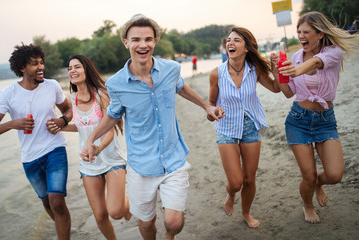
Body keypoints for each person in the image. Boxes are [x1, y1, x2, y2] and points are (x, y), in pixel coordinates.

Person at [80, 14, 225, 240]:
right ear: (126, 42)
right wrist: (91, 140)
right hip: (141, 165)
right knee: (147, 224)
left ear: (155, 41)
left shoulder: (171, 69)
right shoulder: (116, 84)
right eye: (136, 39)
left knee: (174, 222)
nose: (143, 45)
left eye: (148, 39)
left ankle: (170, 236)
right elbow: (111, 115)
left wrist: (206, 106)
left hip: (173, 158)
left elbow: (180, 87)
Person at [271, 11, 359, 223]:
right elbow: (288, 92)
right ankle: (307, 205)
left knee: (335, 175)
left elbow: (315, 63)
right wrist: (277, 71)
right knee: (308, 176)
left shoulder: (333, 52)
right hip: (298, 120)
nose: (301, 36)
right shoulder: (295, 58)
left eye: (306, 32)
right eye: (298, 32)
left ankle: (319, 184)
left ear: (320, 34)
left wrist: (295, 70)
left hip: (325, 120)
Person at [47, 55, 131, 239]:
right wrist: (60, 126)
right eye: (70, 68)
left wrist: (97, 148)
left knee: (116, 212)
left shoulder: (103, 94)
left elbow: (109, 129)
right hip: (88, 164)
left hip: (111, 159)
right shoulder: (73, 98)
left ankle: (126, 203)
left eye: (77, 67)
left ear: (87, 70)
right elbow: (83, 125)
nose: (72, 71)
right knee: (100, 215)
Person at [208, 27, 280, 228]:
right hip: (227, 129)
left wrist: (275, 71)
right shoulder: (217, 74)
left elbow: (275, 88)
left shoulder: (254, 70)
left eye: (237, 40)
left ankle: (246, 213)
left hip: (250, 126)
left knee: (249, 179)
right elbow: (210, 105)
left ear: (247, 47)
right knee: (236, 182)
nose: (230, 43)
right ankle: (230, 194)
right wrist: (213, 111)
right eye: (229, 40)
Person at [0, 44, 72, 239]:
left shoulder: (52, 86)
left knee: (57, 201)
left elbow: (68, 109)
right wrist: (13, 123)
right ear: (22, 68)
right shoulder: (8, 94)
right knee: (47, 203)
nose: (40, 67)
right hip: (29, 157)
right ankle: (65, 229)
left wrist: (62, 120)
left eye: (41, 63)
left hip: (55, 149)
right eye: (34, 64)